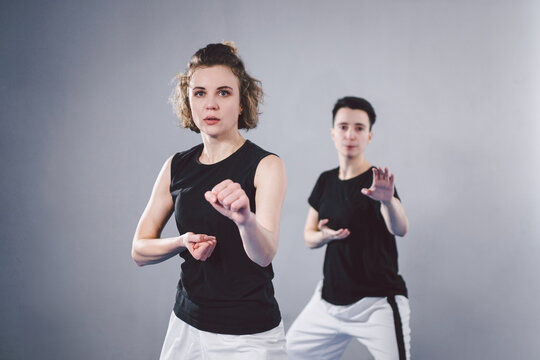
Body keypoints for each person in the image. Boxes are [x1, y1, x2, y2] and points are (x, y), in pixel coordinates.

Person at [131, 42, 287, 360]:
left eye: (224, 93)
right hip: (186, 325)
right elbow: (139, 251)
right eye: (200, 93)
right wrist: (182, 242)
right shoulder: (176, 166)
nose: (211, 105)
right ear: (189, 102)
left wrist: (244, 218)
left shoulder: (266, 165)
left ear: (242, 102)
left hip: (248, 336)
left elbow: (264, 254)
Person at [286, 96, 411, 360]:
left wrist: (388, 202)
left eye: (359, 128)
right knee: (287, 354)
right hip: (329, 302)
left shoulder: (378, 180)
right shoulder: (325, 180)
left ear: (369, 136)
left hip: (376, 305)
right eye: (343, 127)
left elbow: (400, 229)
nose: (350, 134)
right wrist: (325, 236)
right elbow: (308, 237)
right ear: (333, 133)